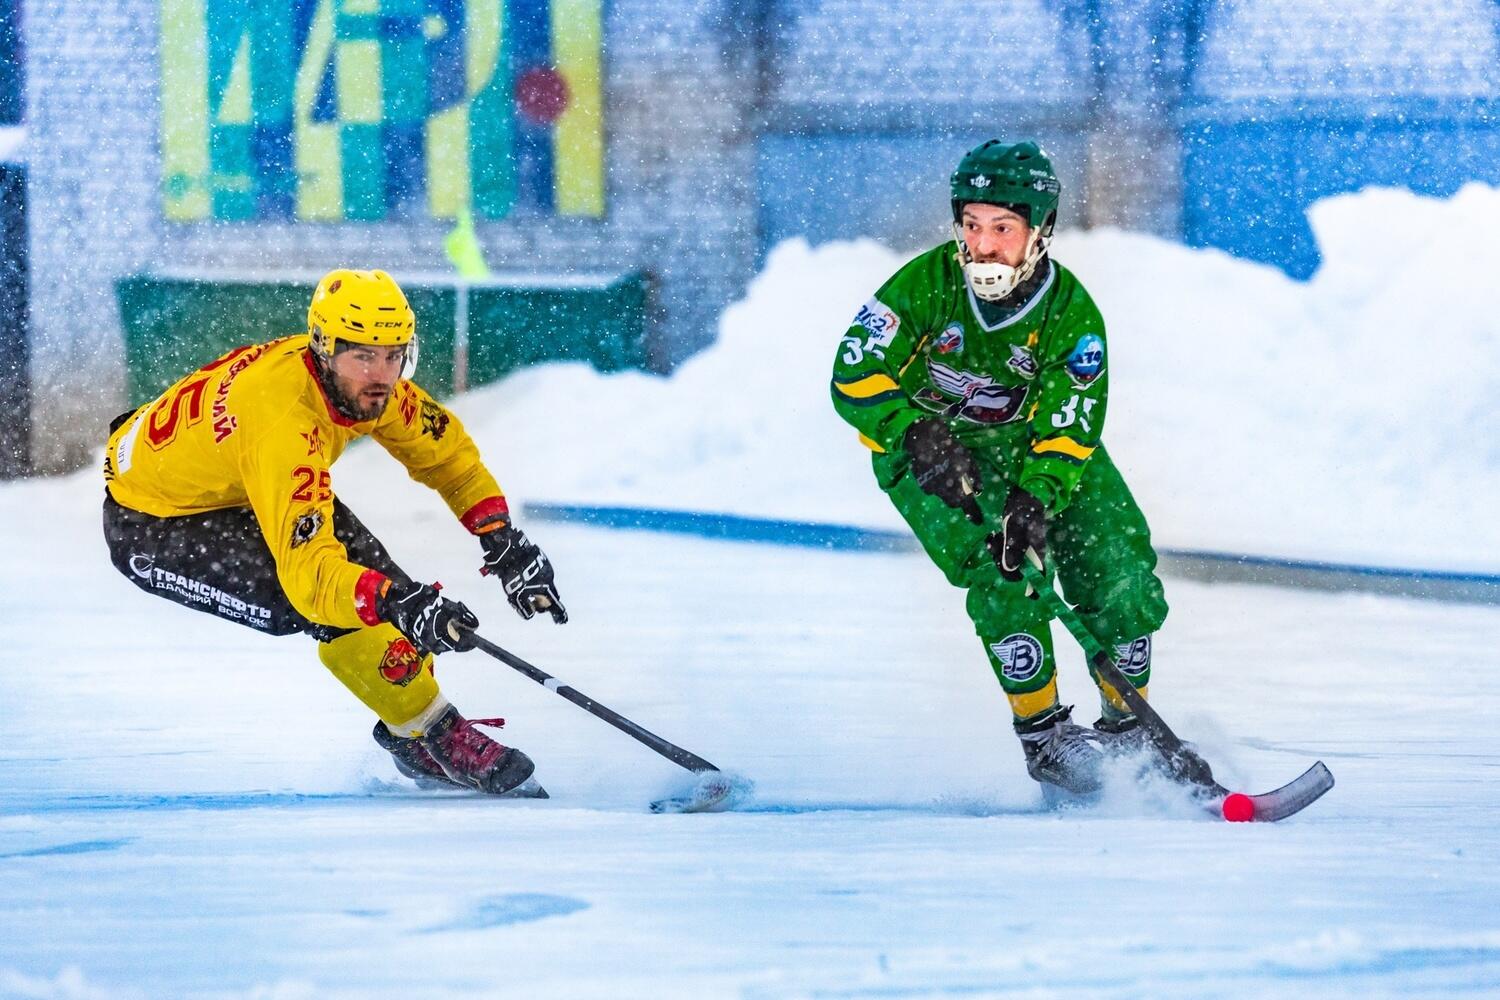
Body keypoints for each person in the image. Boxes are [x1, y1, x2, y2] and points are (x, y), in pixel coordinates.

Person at [102, 269, 567, 796]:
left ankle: (411, 725)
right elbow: (311, 581)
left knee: (383, 593)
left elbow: (448, 456)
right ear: (325, 350)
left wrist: (501, 539)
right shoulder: (285, 426)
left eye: (395, 355)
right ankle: (432, 733)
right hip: (158, 525)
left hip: (224, 481)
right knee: (343, 607)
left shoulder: (356, 382)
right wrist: (395, 602)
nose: (382, 374)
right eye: (364, 356)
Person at [829, 140, 1169, 795]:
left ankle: (1130, 739)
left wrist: (1036, 500)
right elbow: (853, 372)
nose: (983, 244)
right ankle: (1046, 741)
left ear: (1040, 230)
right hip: (928, 461)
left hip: (1041, 456)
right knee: (1005, 575)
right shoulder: (923, 286)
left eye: (1003, 227)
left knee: (1119, 569)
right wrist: (911, 431)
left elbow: (1070, 423)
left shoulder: (1072, 316)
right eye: (972, 224)